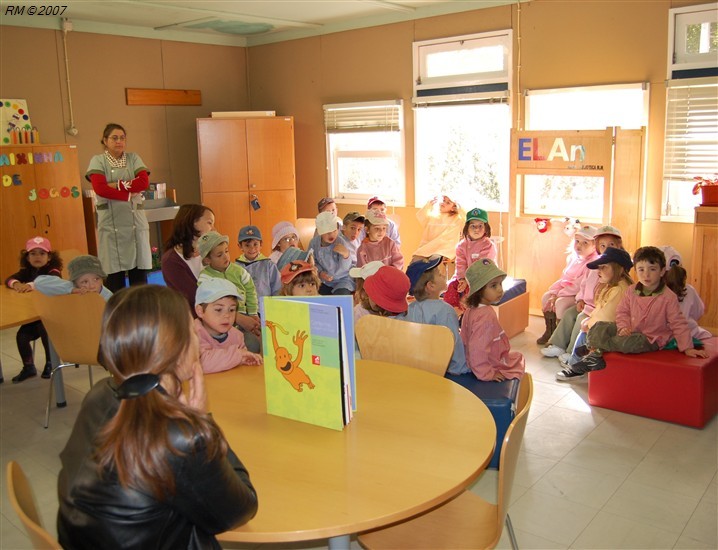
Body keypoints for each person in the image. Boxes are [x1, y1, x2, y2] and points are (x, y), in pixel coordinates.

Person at [57, 285, 258, 549]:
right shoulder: (179, 436)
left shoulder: (100, 395)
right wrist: (202, 422)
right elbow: (242, 509)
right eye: (191, 332)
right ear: (173, 348)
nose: (197, 341)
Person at [560, 246, 709, 379]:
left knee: (628, 343)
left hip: (651, 338)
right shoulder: (632, 291)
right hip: (631, 329)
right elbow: (622, 312)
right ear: (636, 271)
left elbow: (678, 323)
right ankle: (595, 353)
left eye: (652, 269)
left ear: (662, 271)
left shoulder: (668, 297)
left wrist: (688, 348)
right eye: (641, 270)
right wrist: (623, 326)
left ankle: (594, 351)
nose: (646, 275)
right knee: (599, 326)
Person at [541, 225, 624, 361]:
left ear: (619, 246)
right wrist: (580, 299)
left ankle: (571, 352)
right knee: (569, 314)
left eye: (611, 245)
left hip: (598, 309)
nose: (606, 248)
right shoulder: (595, 264)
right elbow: (584, 284)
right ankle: (558, 345)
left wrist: (594, 308)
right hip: (586, 304)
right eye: (602, 245)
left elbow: (611, 296)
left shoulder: (618, 267)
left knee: (580, 319)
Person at [85, 123, 151, 292]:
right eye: (114, 138)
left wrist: (118, 185)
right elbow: (100, 188)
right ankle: (116, 315)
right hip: (111, 226)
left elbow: (143, 182)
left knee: (139, 279)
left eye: (122, 138)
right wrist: (128, 193)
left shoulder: (133, 158)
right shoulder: (97, 161)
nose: (119, 141)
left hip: (135, 223)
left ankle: (142, 314)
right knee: (115, 279)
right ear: (105, 140)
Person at [556, 247, 634, 380]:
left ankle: (576, 366)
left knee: (586, 330)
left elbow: (607, 316)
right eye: (599, 267)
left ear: (619, 269)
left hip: (616, 330)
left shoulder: (620, 290)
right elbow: (600, 310)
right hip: (608, 326)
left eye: (604, 268)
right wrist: (589, 320)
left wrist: (589, 324)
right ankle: (577, 359)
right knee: (586, 325)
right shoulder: (612, 286)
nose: (599, 271)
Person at [4, 237, 63, 382]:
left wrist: (30, 285)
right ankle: (28, 366)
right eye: (33, 254)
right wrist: (16, 284)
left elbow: (50, 282)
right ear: (27, 257)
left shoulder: (53, 270)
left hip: (50, 316)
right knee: (21, 336)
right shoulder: (27, 271)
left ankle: (51, 363)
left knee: (45, 331)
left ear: (49, 257)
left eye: (42, 253)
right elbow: (9, 279)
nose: (37, 257)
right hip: (33, 315)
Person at [461, 258, 525, 382]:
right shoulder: (486, 315)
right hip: (487, 362)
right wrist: (486, 373)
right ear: (479, 291)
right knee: (518, 359)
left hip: (471, 359)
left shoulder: (472, 309)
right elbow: (478, 348)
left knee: (516, 357)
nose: (500, 289)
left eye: (500, 284)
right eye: (493, 286)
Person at [403, 255, 468, 375]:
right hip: (443, 370)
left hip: (419, 367)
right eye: (439, 273)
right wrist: (461, 368)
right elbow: (453, 344)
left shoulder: (410, 308)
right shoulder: (446, 311)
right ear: (431, 286)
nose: (443, 275)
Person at [197, 232, 261, 353]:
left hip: (243, 317)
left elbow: (251, 290)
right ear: (207, 260)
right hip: (219, 323)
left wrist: (253, 313)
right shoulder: (205, 277)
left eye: (226, 251)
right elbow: (209, 303)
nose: (225, 257)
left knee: (254, 344)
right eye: (219, 255)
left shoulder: (239, 271)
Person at [536, 224, 598, 345]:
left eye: (585, 243)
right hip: (566, 290)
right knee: (546, 297)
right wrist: (554, 292)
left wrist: (559, 295)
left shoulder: (592, 263)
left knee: (560, 303)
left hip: (578, 295)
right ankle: (550, 331)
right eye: (577, 241)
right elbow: (564, 278)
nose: (579, 245)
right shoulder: (573, 258)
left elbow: (578, 285)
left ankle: (561, 337)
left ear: (594, 246)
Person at [194, 278, 263, 374]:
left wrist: (246, 359)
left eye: (231, 310)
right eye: (218, 310)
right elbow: (201, 363)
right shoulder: (192, 334)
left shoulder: (237, 336)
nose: (227, 315)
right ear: (200, 311)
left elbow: (240, 360)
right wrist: (238, 355)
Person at [161, 204, 216, 315]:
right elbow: (196, 297)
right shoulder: (171, 260)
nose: (213, 229)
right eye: (209, 223)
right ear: (193, 222)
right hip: (194, 321)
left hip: (216, 314)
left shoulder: (207, 251)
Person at [443, 207, 497, 309]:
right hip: (464, 277)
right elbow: (460, 264)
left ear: (486, 228)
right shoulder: (461, 246)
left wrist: (468, 281)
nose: (476, 229)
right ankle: (452, 311)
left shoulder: (488, 246)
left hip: (483, 277)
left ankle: (468, 313)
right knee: (452, 287)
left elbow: (482, 267)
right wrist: (462, 279)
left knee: (473, 290)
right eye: (473, 226)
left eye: (480, 225)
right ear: (467, 228)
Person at [661, 246, 712, 341]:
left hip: (668, 339)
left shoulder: (655, 290)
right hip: (692, 335)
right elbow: (699, 312)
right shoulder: (689, 290)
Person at [309, 211, 354, 295]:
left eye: (335, 231)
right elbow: (312, 261)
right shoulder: (314, 243)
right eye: (328, 233)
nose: (332, 235)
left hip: (342, 279)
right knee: (320, 297)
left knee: (341, 297)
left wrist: (346, 255)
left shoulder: (341, 242)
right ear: (320, 232)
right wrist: (320, 273)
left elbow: (345, 268)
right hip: (324, 280)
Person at [35, 255, 113, 301]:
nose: (92, 286)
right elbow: (39, 282)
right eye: (85, 282)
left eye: (96, 279)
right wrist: (71, 289)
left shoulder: (108, 298)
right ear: (75, 283)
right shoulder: (72, 288)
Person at [412, 194, 466, 261]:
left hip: (444, 250)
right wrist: (428, 205)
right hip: (426, 249)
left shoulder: (457, 219)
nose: (443, 203)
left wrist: (460, 208)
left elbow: (466, 221)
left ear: (453, 208)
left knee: (434, 262)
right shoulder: (433, 217)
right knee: (415, 262)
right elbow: (421, 216)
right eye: (443, 200)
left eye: (448, 203)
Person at [236, 225, 281, 298]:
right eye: (247, 245)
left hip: (265, 307)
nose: (252, 248)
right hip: (244, 308)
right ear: (240, 246)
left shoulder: (269, 265)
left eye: (255, 244)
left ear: (261, 244)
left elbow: (278, 289)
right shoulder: (236, 267)